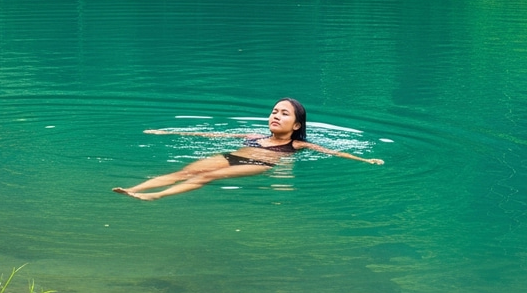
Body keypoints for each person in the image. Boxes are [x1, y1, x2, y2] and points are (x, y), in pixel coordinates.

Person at [113, 98, 383, 201]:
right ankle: (134, 189)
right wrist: (167, 132)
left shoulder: (296, 144)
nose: (276, 116)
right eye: (274, 111)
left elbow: (333, 152)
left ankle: (157, 196)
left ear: (296, 124)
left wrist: (365, 160)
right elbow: (210, 134)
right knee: (183, 172)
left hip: (261, 164)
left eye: (284, 114)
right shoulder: (253, 136)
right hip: (234, 156)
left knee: (208, 176)